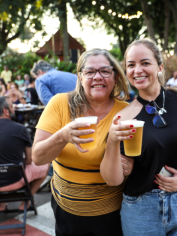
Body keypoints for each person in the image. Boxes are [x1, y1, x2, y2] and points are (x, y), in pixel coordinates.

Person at [100, 39, 177, 236]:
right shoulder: (124, 117)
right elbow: (113, 179)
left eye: (145, 63)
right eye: (131, 65)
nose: (138, 70)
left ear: (159, 67)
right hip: (141, 210)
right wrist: (111, 140)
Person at [32, 48, 133, 236]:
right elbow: (37, 157)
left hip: (111, 213)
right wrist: (62, 136)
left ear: (115, 76)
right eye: (90, 72)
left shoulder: (127, 112)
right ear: (80, 77)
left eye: (105, 71)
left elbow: (132, 156)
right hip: (66, 212)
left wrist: (129, 164)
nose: (97, 77)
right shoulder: (59, 103)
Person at [0, 96, 49, 212]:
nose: (14, 109)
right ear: (6, 111)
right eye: (11, 106)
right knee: (45, 166)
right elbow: (30, 160)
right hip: (14, 180)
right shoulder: (20, 129)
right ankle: (26, 202)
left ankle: (0, 206)